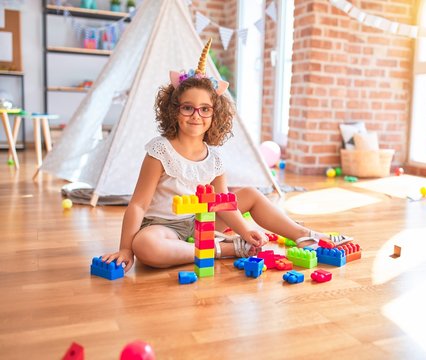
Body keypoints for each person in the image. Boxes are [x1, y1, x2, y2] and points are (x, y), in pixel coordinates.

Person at [101, 39, 352, 273]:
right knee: (145, 246)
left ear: (214, 115)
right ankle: (224, 249)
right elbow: (138, 205)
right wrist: (126, 247)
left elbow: (222, 204)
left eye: (205, 109)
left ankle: (304, 234)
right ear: (174, 110)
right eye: (188, 107)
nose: (196, 115)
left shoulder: (215, 159)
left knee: (251, 194)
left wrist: (245, 230)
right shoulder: (160, 151)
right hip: (164, 227)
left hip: (204, 221)